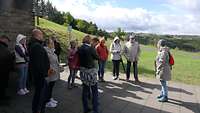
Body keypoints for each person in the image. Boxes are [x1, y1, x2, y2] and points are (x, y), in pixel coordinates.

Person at [29, 29, 51, 113]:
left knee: (39, 95)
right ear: (37, 35)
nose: (43, 36)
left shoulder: (35, 45)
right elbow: (39, 64)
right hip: (40, 77)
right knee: (39, 96)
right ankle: (37, 110)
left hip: (38, 76)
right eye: (41, 34)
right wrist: (45, 74)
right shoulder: (37, 46)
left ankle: (38, 109)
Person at [78, 35, 99, 113]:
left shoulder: (79, 48)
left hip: (83, 71)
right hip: (90, 72)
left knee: (85, 91)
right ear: (89, 40)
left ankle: (85, 109)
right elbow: (97, 57)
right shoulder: (90, 48)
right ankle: (95, 109)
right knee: (94, 91)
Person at [44, 38, 60, 108]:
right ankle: (47, 102)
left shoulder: (52, 51)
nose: (53, 44)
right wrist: (51, 69)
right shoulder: (46, 51)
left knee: (51, 87)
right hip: (51, 73)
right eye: (52, 43)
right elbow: (47, 63)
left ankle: (49, 98)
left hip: (54, 72)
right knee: (48, 88)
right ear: (48, 44)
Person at [0, 35, 15, 105]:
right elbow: (3, 56)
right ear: (3, 39)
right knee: (2, 84)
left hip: (5, 69)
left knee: (3, 84)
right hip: (2, 69)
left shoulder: (4, 47)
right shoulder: (2, 46)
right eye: (7, 40)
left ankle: (3, 96)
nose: (8, 42)